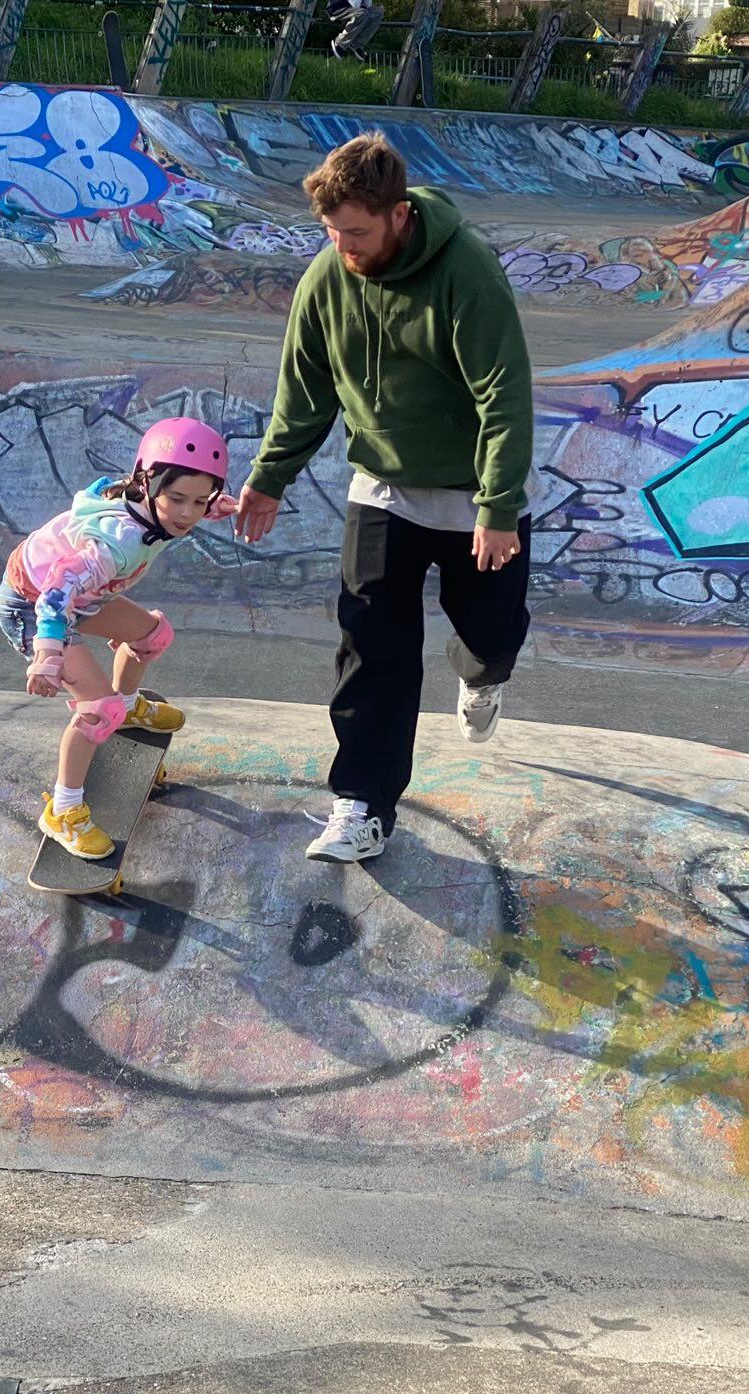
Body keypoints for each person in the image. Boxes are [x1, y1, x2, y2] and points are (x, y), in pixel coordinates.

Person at [235, 132, 533, 865]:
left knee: (493, 634)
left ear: (400, 214)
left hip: (473, 494)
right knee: (370, 650)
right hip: (384, 491)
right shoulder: (326, 278)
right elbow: (303, 394)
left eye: (357, 232)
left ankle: (483, 676)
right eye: (331, 231)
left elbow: (505, 391)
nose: (343, 246)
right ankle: (364, 803)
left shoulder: (466, 270)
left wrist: (497, 506)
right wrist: (269, 477)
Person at [0, 418, 236, 861]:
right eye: (177, 499)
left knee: (153, 634)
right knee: (94, 710)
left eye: (200, 502)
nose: (186, 514)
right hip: (35, 607)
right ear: (147, 484)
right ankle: (64, 810)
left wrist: (215, 506)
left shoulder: (154, 503)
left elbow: (186, 502)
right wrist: (47, 653)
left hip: (84, 598)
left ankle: (127, 707)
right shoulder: (115, 544)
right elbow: (54, 597)